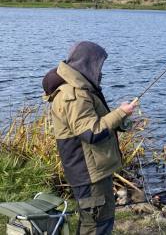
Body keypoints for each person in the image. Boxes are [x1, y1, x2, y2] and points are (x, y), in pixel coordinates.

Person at [42, 41, 137, 235]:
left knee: (95, 222)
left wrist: (122, 118)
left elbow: (96, 122)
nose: (100, 70)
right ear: (87, 63)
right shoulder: (73, 95)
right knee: (96, 225)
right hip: (89, 173)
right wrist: (119, 113)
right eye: (99, 65)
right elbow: (91, 133)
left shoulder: (81, 88)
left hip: (93, 171)